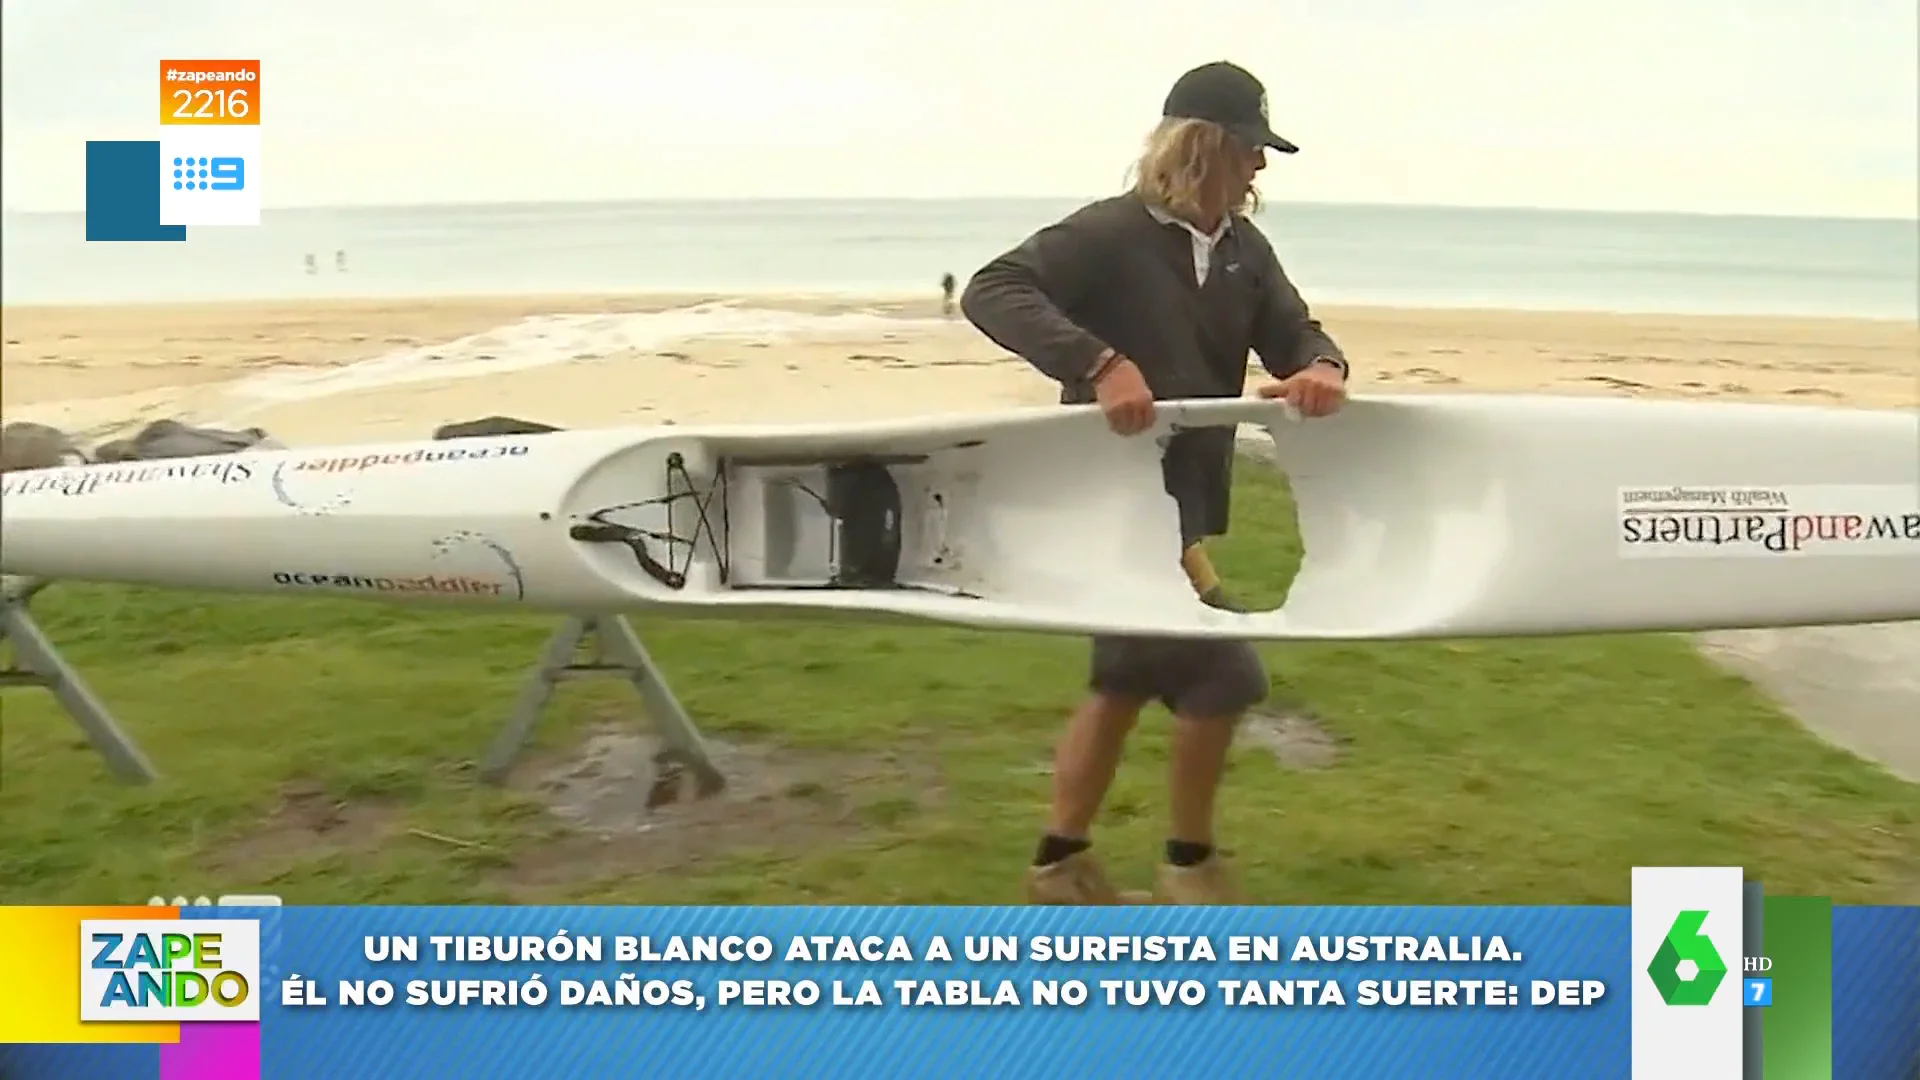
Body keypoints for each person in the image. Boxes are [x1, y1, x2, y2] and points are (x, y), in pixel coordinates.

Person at [960, 60, 1350, 905]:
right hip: (1110, 508)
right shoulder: (1109, 234)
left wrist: (1320, 367)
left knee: (1126, 678)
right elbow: (995, 290)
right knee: (1223, 677)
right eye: (1251, 148)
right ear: (1206, 147)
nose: (1261, 168)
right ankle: (1186, 864)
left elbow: (1294, 331)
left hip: (1182, 516)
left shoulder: (1246, 252)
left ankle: (1059, 865)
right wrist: (1098, 362)